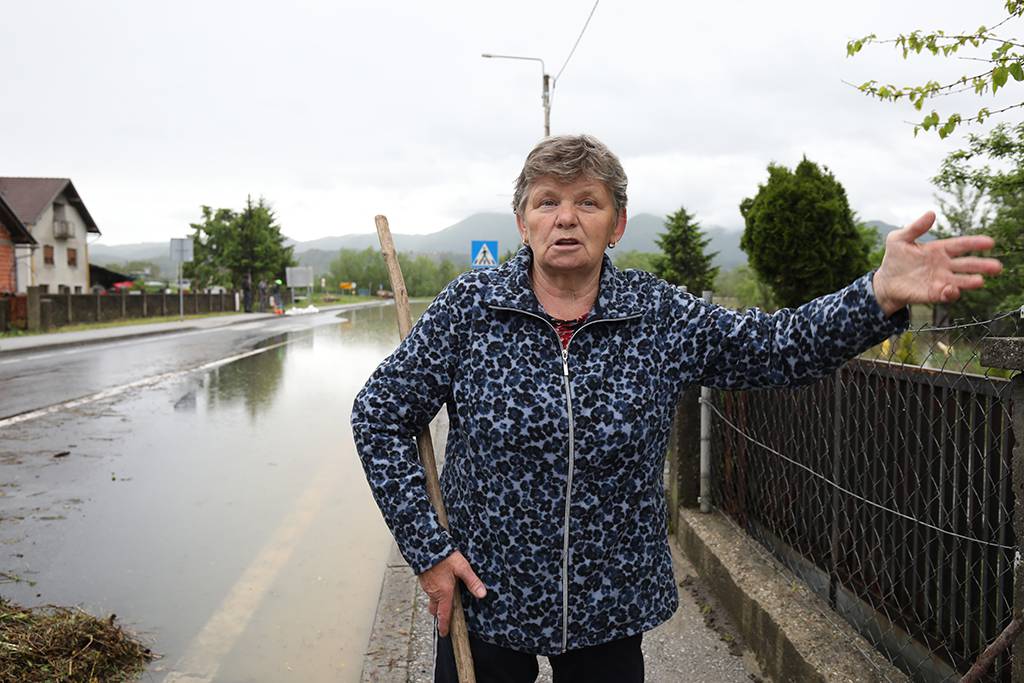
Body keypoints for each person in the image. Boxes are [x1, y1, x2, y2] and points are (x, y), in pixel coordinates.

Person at [352, 135, 1002, 683]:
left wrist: (877, 293)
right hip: (484, 597)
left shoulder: (656, 314)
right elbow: (380, 414)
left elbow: (775, 349)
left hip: (609, 608)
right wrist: (428, 550)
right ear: (523, 221)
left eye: (588, 201)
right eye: (547, 201)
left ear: (618, 222)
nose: (566, 217)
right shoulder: (473, 309)